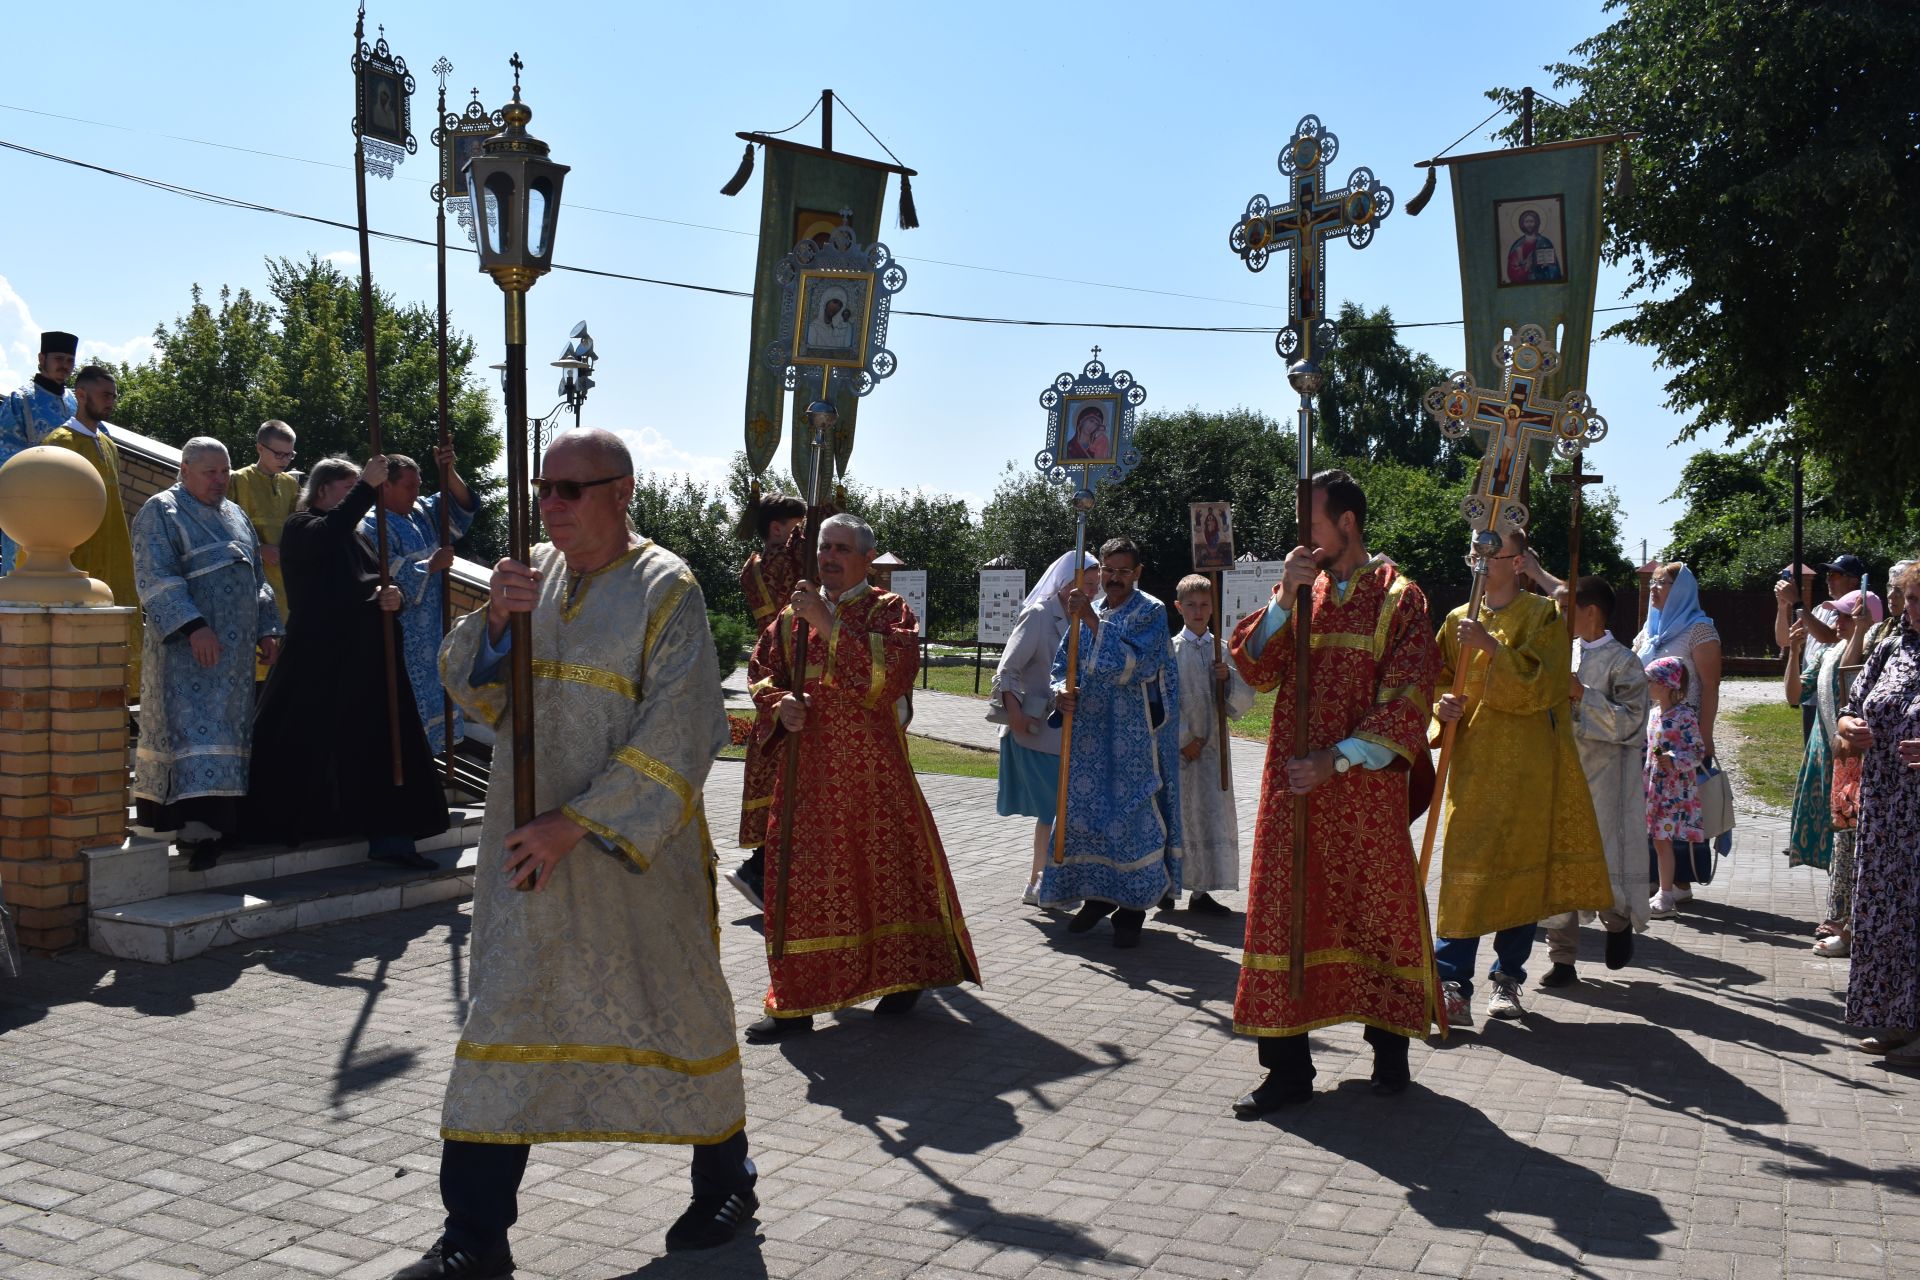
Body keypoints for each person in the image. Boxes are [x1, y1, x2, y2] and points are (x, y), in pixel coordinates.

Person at [394, 429, 755, 1279]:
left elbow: (686, 727)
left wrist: (580, 822)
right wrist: (492, 622)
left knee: (676, 1011)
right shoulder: (534, 579)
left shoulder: (669, 589)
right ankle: (475, 1233)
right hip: (525, 854)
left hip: (633, 861)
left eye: (569, 490)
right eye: (542, 489)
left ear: (621, 492)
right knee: (504, 1017)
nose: (548, 506)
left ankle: (726, 1182)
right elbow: (470, 687)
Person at [1226, 470, 1442, 1113]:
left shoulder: (1401, 598)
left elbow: (1406, 700)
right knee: (1284, 917)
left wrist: (1337, 758)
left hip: (1362, 792)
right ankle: (1287, 1070)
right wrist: (1285, 605)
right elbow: (1256, 668)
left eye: (1312, 525)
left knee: (1373, 911)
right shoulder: (1300, 589)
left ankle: (1389, 1049)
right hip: (1292, 790)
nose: (1303, 539)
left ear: (1346, 523)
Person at [743, 512, 980, 1041]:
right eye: (825, 547)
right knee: (797, 885)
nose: (829, 557)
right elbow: (760, 675)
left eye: (842, 549)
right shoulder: (791, 615)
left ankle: (903, 976)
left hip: (871, 776)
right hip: (805, 779)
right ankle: (794, 1001)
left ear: (866, 558)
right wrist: (781, 706)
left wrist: (828, 626)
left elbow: (888, 679)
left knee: (885, 878)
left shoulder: (888, 610)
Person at [1432, 527, 1610, 1023]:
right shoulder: (1454, 619)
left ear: (1517, 562)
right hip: (1472, 765)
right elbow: (1438, 680)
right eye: (1474, 551)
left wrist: (1490, 645)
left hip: (1529, 768)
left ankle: (1507, 978)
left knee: (1521, 873)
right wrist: (1439, 706)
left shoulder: (1541, 616)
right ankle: (1452, 984)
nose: (1479, 561)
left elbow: (1545, 684)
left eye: (1491, 553)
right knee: (1463, 872)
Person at [246, 455, 449, 866]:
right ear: (323, 490)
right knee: (304, 745)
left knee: (378, 745)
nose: (363, 499)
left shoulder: (357, 538)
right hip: (317, 660)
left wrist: (388, 594)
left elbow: (369, 581)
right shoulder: (301, 526)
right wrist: (365, 488)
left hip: (362, 660)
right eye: (351, 488)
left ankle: (390, 837)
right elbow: (326, 543)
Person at [129, 438, 282, 868]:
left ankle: (222, 825)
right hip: (187, 654)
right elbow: (155, 577)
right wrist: (195, 626)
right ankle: (193, 829)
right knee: (192, 734)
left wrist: (268, 628)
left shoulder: (236, 515)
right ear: (184, 469)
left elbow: (258, 578)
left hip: (233, 660)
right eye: (209, 472)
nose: (219, 481)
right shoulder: (162, 511)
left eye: (224, 472)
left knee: (227, 735)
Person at [1038, 536, 1182, 948]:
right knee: (1084, 814)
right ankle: (1098, 897)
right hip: (1086, 734)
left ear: (1137, 573)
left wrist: (1093, 621)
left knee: (1130, 815)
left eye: (1123, 571)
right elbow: (1063, 663)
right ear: (1098, 570)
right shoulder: (1090, 608)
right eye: (1108, 570)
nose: (1114, 579)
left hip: (1132, 735)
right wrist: (1058, 693)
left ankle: (1132, 910)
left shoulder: (1150, 611)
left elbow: (1139, 665)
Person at [1540, 577, 1649, 986]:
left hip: (1604, 783)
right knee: (1557, 865)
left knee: (1601, 862)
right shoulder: (1556, 651)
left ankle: (1616, 923)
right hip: (1557, 773)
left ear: (1590, 612)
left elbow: (1632, 722)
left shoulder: (1624, 662)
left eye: (1566, 609)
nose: (1558, 616)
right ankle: (1562, 957)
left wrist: (1582, 695)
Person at [1832, 572, 1920, 1064]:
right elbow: (1849, 707)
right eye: (1910, 600)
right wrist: (1853, 727)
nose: (1913, 610)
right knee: (1889, 917)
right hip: (1887, 810)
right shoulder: (1893, 649)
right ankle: (1896, 1019)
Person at [990, 549, 1099, 906]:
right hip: (1037, 732)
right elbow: (1008, 669)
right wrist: (1017, 716)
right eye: (1087, 583)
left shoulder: (1090, 618)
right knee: (1056, 809)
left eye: (1096, 585)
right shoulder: (1039, 615)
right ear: (1066, 582)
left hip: (1073, 733)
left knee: (1058, 811)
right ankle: (1044, 882)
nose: (1093, 592)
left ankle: (1040, 881)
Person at [361, 447, 479, 755]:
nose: (417, 492)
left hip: (435, 636)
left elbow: (463, 506)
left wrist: (448, 471)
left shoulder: (422, 513)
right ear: (386, 485)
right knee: (405, 720)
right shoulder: (371, 525)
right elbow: (385, 577)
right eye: (409, 486)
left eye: (419, 484)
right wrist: (430, 565)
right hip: (405, 638)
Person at [39, 365, 141, 698]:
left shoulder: (109, 445)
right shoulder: (59, 442)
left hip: (115, 552)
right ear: (81, 395)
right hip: (78, 556)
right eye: (104, 395)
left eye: (114, 395)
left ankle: (120, 699)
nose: (111, 401)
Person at [727, 491, 808, 911]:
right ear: (778, 529)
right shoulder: (779, 563)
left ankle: (770, 877)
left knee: (787, 783)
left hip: (773, 663)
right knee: (793, 783)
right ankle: (757, 873)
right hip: (792, 664)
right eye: (800, 528)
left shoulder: (751, 566)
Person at [1793, 590, 1881, 957]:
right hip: (1836, 757)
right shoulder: (1831, 650)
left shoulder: (1874, 652)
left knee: (1852, 846)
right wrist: (1794, 654)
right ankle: (1840, 920)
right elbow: (1797, 693)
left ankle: (1848, 925)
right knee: (1841, 843)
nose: (1839, 622)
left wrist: (1860, 633)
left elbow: (1852, 684)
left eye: (1847, 616)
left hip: (1857, 764)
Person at [1631, 562, 1724, 900]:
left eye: (1662, 583)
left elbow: (1711, 685)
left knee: (1682, 807)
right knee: (1652, 806)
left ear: (1681, 589)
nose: (1653, 589)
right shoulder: (1649, 629)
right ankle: (1658, 879)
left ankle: (1682, 882)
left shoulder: (1699, 630)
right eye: (1652, 582)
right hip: (1649, 734)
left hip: (1683, 738)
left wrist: (1706, 734)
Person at [1171, 573, 1255, 915]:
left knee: (1210, 814)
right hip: (1179, 751)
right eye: (1191, 605)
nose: (1198, 610)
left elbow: (1240, 704)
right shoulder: (1169, 650)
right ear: (1179, 607)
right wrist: (1183, 738)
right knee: (1179, 815)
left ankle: (1203, 890)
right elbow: (1161, 699)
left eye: (1205, 604)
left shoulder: (1222, 651)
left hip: (1213, 752)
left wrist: (1228, 680)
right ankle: (1169, 885)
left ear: (1213, 607)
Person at [1, 330, 80, 573]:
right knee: (21, 569)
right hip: (27, 499)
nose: (64, 366)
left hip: (69, 501)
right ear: (41, 358)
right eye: (58, 359)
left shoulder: (75, 402)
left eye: (69, 361)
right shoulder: (21, 400)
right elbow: (5, 448)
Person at [230, 421, 303, 684]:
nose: (285, 460)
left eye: (290, 454)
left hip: (285, 584)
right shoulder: (238, 480)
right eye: (279, 454)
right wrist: (258, 549)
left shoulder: (291, 486)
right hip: (251, 584)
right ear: (260, 448)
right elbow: (223, 529)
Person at [1645, 657, 1707, 918]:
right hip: (1654, 788)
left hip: (1673, 791)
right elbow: (1650, 747)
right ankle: (1664, 890)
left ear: (1667, 684)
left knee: (1663, 838)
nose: (1646, 685)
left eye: (1651, 681)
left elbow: (1697, 752)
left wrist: (1674, 759)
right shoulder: (1654, 713)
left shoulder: (1685, 715)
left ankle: (1666, 893)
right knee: (1658, 841)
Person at [1505, 207, 1562, 282]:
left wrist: (1548, 266)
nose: (1529, 224)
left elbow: (1555, 269)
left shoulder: (1545, 242)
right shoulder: (1517, 245)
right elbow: (1512, 271)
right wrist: (1526, 268)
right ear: (1522, 224)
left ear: (1536, 223)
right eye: (1526, 222)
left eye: (1532, 221)